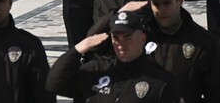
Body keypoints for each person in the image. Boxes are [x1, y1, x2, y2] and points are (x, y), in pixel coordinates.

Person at [46, 10, 181, 101]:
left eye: (127, 38)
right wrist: (77, 50)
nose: (121, 45)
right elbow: (55, 84)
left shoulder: (160, 81)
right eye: (116, 38)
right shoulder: (97, 70)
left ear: (142, 38)